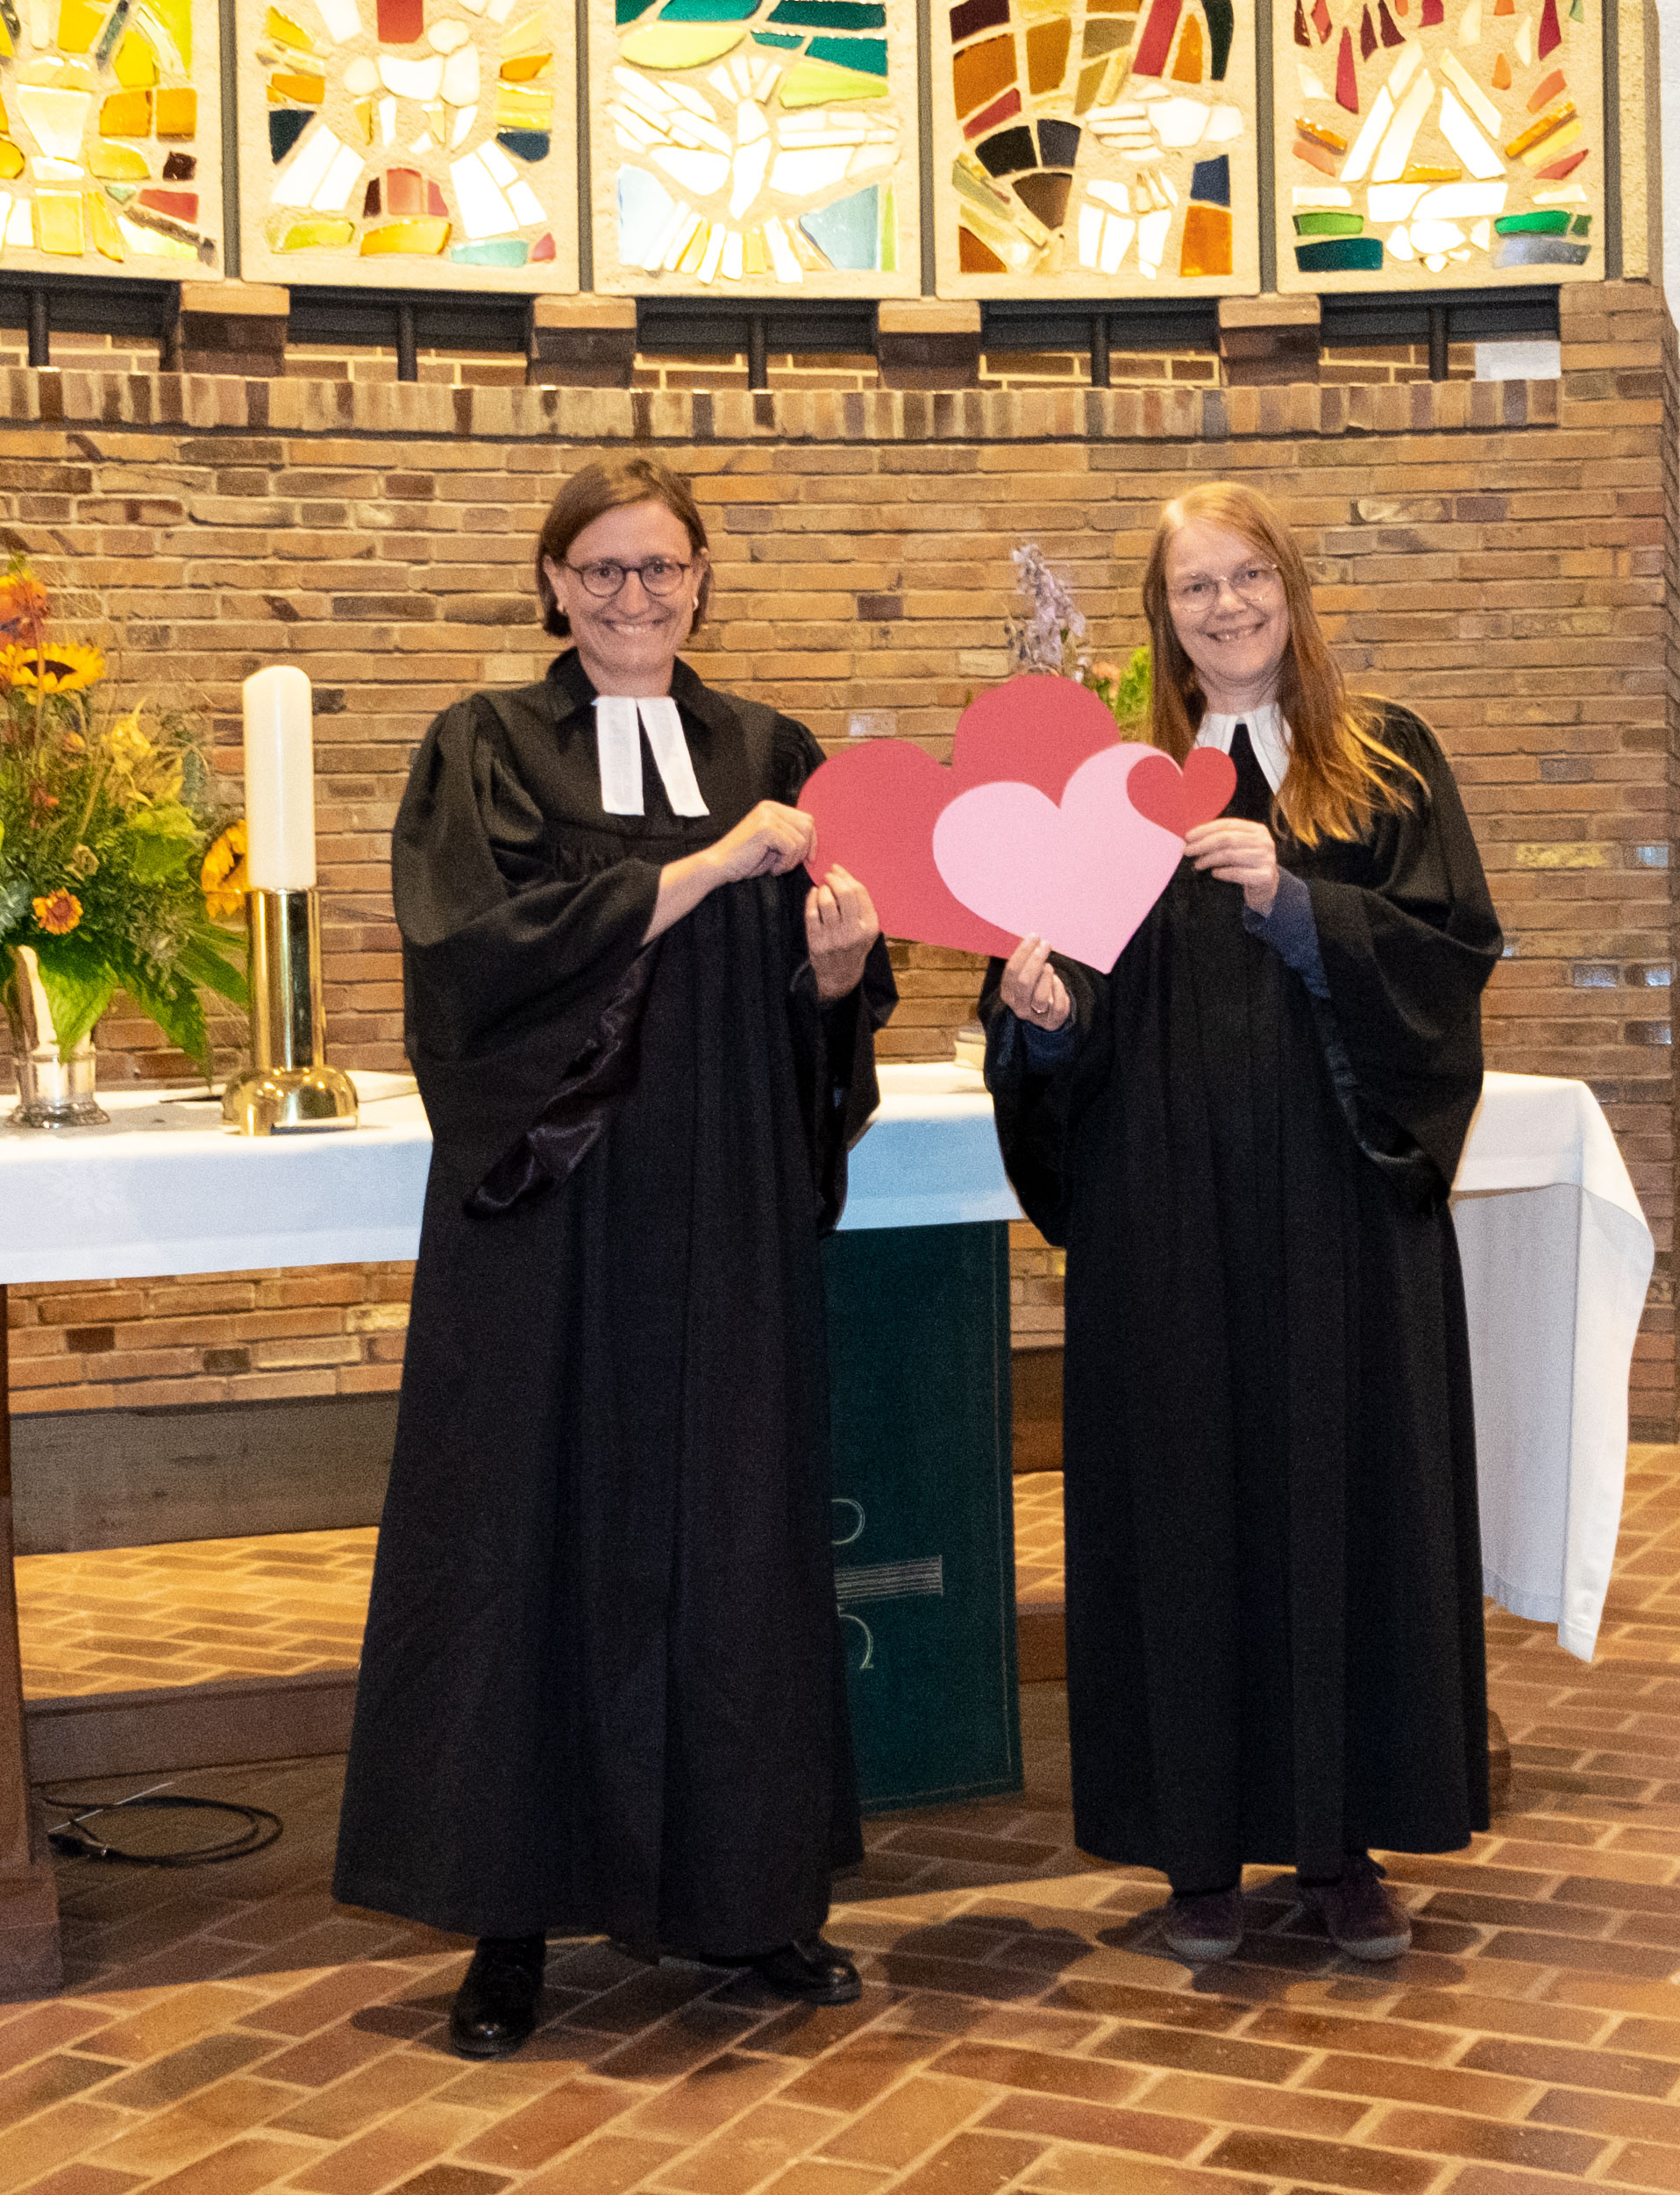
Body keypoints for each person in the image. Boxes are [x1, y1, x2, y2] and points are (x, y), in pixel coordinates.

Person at [334, 455, 893, 2057]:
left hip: (722, 1204)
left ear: (703, 579)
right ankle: (509, 1923)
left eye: (660, 570)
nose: (634, 598)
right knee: (529, 1530)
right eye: (602, 572)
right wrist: (707, 871)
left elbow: (823, 1012)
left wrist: (840, 970)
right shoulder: (483, 749)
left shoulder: (770, 750)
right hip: (553, 1211)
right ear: (556, 587)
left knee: (737, 1529)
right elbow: (469, 965)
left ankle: (754, 1899)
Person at [982, 481, 1502, 1963]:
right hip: (1166, 1219)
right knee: (1184, 1508)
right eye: (1194, 586)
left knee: (1344, 1498)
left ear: (1292, 586)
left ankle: (1343, 1849)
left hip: (1336, 1202)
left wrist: (1299, 903)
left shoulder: (1386, 759)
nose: (1224, 607)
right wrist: (1038, 1017)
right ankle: (1194, 1852)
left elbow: (1451, 960)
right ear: (1162, 617)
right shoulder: (1114, 788)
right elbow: (1061, 1002)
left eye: (1247, 575)